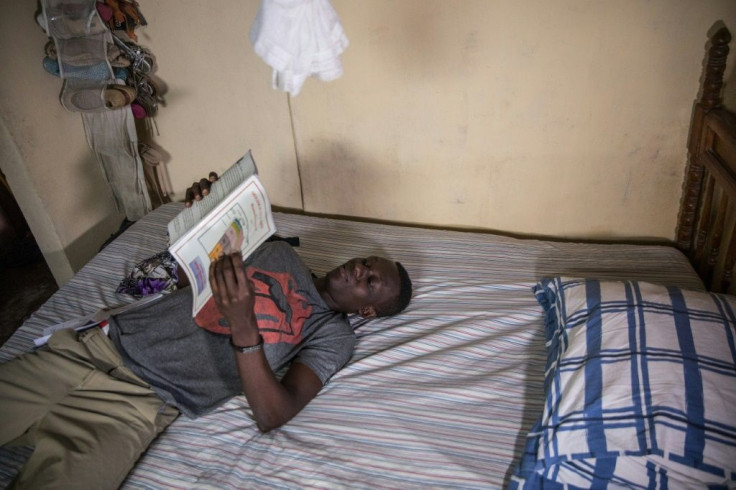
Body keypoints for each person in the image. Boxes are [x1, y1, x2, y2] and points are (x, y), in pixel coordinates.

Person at [0, 175, 413, 489]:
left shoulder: (333, 337)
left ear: (368, 310)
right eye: (365, 261)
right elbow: (189, 283)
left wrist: (244, 326)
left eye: (370, 280)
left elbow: (273, 415)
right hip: (93, 348)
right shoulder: (278, 251)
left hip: (139, 405)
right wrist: (196, 224)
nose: (359, 268)